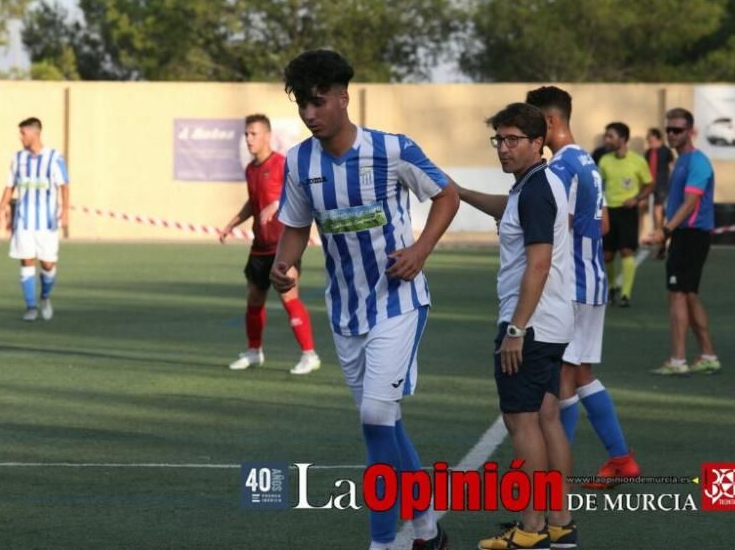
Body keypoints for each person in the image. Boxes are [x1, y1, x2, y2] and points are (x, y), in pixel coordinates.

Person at [270, 49, 458, 550]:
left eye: (318, 102)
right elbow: (295, 224)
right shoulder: (299, 162)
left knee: (376, 415)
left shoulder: (392, 150)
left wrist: (420, 250)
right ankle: (427, 531)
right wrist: (284, 265)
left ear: (342, 97)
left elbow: (446, 194)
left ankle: (381, 543)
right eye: (302, 106)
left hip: (398, 304)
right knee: (383, 421)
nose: (310, 115)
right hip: (345, 310)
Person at [455, 102, 576, 550]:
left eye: (512, 140)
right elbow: (507, 209)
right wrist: (461, 192)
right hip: (551, 324)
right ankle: (559, 521)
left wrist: (516, 330)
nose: (503, 149)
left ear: (537, 143)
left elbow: (539, 265)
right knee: (547, 418)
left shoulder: (537, 190)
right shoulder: (533, 186)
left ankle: (530, 528)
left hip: (531, 326)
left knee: (521, 421)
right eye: (499, 140)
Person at [526, 86, 639, 491]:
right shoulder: (589, 163)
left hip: (570, 283)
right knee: (581, 373)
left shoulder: (559, 168)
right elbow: (603, 225)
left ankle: (555, 477)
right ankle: (621, 457)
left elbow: (557, 221)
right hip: (592, 279)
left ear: (550, 121)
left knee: (561, 380)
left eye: (533, 121)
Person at [220, 114, 320, 375]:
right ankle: (254, 352)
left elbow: (296, 195)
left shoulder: (281, 164)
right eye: (246, 134)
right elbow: (253, 203)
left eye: (253, 134)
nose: (249, 139)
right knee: (254, 300)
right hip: (259, 247)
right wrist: (232, 223)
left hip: (283, 245)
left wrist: (276, 205)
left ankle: (309, 355)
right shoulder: (250, 169)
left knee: (289, 298)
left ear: (267, 136)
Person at [644, 108, 720, 375]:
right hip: (685, 234)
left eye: (677, 130)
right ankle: (708, 354)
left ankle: (677, 360)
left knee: (677, 295)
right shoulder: (682, 161)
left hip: (691, 234)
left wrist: (665, 231)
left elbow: (691, 202)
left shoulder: (697, 162)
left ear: (691, 131)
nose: (672, 134)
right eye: (669, 130)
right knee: (688, 295)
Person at [0, 118, 69, 322]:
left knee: (47, 264)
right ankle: (31, 307)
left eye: (23, 133)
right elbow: (10, 185)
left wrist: (66, 210)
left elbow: (64, 185)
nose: (21, 137)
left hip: (47, 222)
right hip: (24, 220)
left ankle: (45, 297)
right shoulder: (18, 158)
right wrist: (1, 207)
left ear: (35, 133)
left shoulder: (54, 157)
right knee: (26, 260)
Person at [598, 122, 653, 308]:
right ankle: (612, 286)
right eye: (606, 136)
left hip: (628, 212)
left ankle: (625, 295)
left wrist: (637, 199)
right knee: (607, 256)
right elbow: (598, 185)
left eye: (610, 136)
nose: (607, 139)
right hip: (608, 211)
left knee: (627, 251)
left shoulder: (637, 161)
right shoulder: (604, 160)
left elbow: (649, 184)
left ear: (623, 139)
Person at [644, 128, 674, 257]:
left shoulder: (666, 151)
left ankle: (659, 235)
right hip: (650, 184)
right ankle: (655, 234)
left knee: (658, 212)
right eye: (648, 138)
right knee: (651, 212)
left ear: (657, 138)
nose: (649, 139)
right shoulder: (648, 152)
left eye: (651, 137)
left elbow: (672, 167)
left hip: (662, 185)